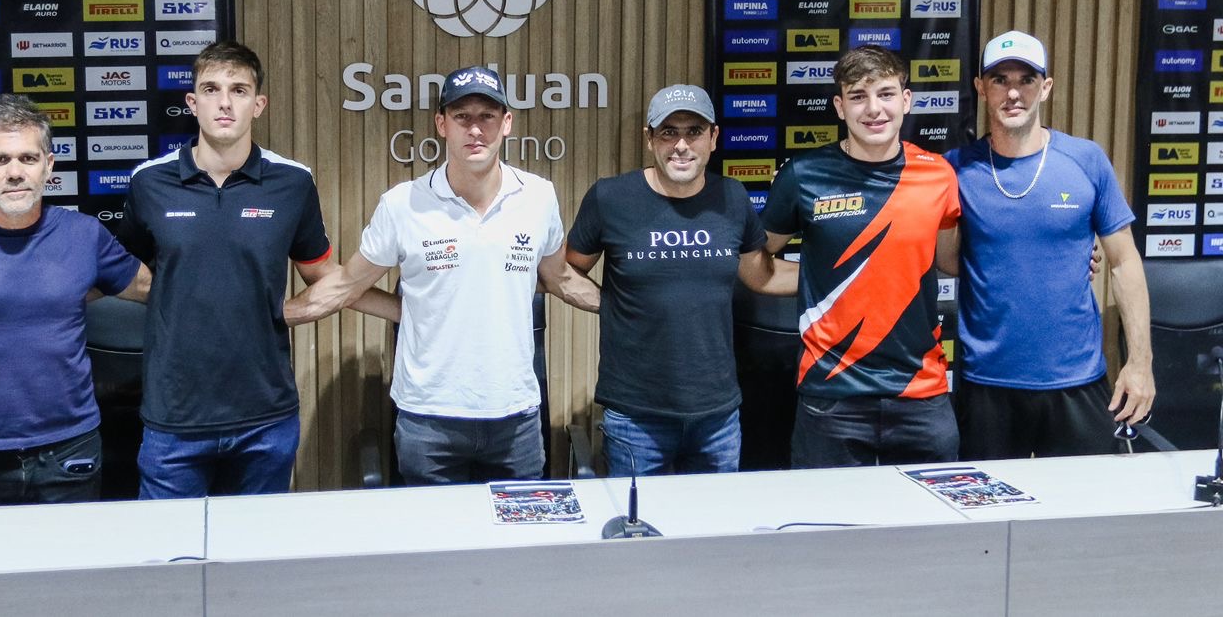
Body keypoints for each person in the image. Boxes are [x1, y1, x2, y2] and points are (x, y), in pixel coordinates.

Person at [285, 66, 599, 485]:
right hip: (428, 420)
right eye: (462, 116)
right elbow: (347, 286)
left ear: (507, 123)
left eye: (487, 116)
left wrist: (628, 308)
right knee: (432, 530)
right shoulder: (403, 204)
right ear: (442, 124)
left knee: (518, 530)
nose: (475, 129)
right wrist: (273, 316)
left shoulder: (539, 197)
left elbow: (560, 278)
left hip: (516, 418)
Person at [116, 41, 396, 499]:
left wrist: (406, 311)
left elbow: (327, 277)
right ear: (192, 103)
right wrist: (172, 293)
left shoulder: (292, 182)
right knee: (170, 545)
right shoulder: (149, 182)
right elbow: (121, 269)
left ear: (258, 104)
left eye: (239, 90)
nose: (224, 102)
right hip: (174, 420)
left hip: (265, 421)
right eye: (211, 89)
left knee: (258, 546)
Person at [0, 94, 152, 506]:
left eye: (28, 159)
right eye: (0, 160)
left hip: (69, 450)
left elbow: (151, 290)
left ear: (48, 166)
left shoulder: (85, 236)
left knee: (73, 552)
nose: (15, 172)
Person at [565, 84, 796, 476]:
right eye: (669, 132)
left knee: (716, 517)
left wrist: (838, 273)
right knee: (637, 518)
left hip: (718, 417)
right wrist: (610, 304)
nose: (681, 145)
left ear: (713, 138)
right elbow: (567, 269)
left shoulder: (732, 197)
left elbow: (762, 275)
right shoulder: (610, 198)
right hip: (636, 416)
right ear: (649, 139)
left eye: (694, 132)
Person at [945, 30, 1153, 458]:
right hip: (987, 386)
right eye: (1000, 80)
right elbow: (947, 260)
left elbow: (1124, 262)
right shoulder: (955, 170)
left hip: (1076, 380)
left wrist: (1140, 362)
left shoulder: (1086, 160)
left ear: (1046, 87)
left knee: (1084, 502)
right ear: (981, 88)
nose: (1013, 93)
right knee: (985, 503)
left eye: (1027, 79)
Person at [760, 46, 962, 468]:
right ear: (840, 106)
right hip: (832, 396)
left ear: (906, 100)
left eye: (886, 94)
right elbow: (758, 262)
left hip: (921, 394)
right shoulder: (803, 175)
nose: (873, 109)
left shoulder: (938, 175)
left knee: (933, 513)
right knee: (824, 513)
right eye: (858, 96)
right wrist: (822, 277)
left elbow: (951, 260)